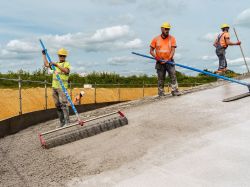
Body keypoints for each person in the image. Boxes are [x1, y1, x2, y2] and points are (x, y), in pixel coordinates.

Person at [150, 22, 181, 97]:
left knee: (173, 75)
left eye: (168, 29)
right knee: (161, 78)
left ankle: (175, 91)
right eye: (166, 29)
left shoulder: (172, 38)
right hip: (159, 62)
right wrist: (157, 58)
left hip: (169, 61)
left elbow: (173, 50)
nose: (167, 30)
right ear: (162, 29)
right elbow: (151, 51)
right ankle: (161, 92)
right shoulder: (156, 39)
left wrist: (169, 58)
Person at [42, 48, 71, 127]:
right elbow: (46, 64)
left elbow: (66, 71)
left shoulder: (66, 64)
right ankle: (62, 123)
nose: (62, 57)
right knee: (57, 105)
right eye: (60, 55)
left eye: (63, 56)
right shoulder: (55, 64)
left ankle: (67, 122)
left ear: (65, 56)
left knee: (63, 104)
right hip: (54, 87)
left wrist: (57, 65)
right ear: (58, 56)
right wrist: (44, 55)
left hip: (62, 88)